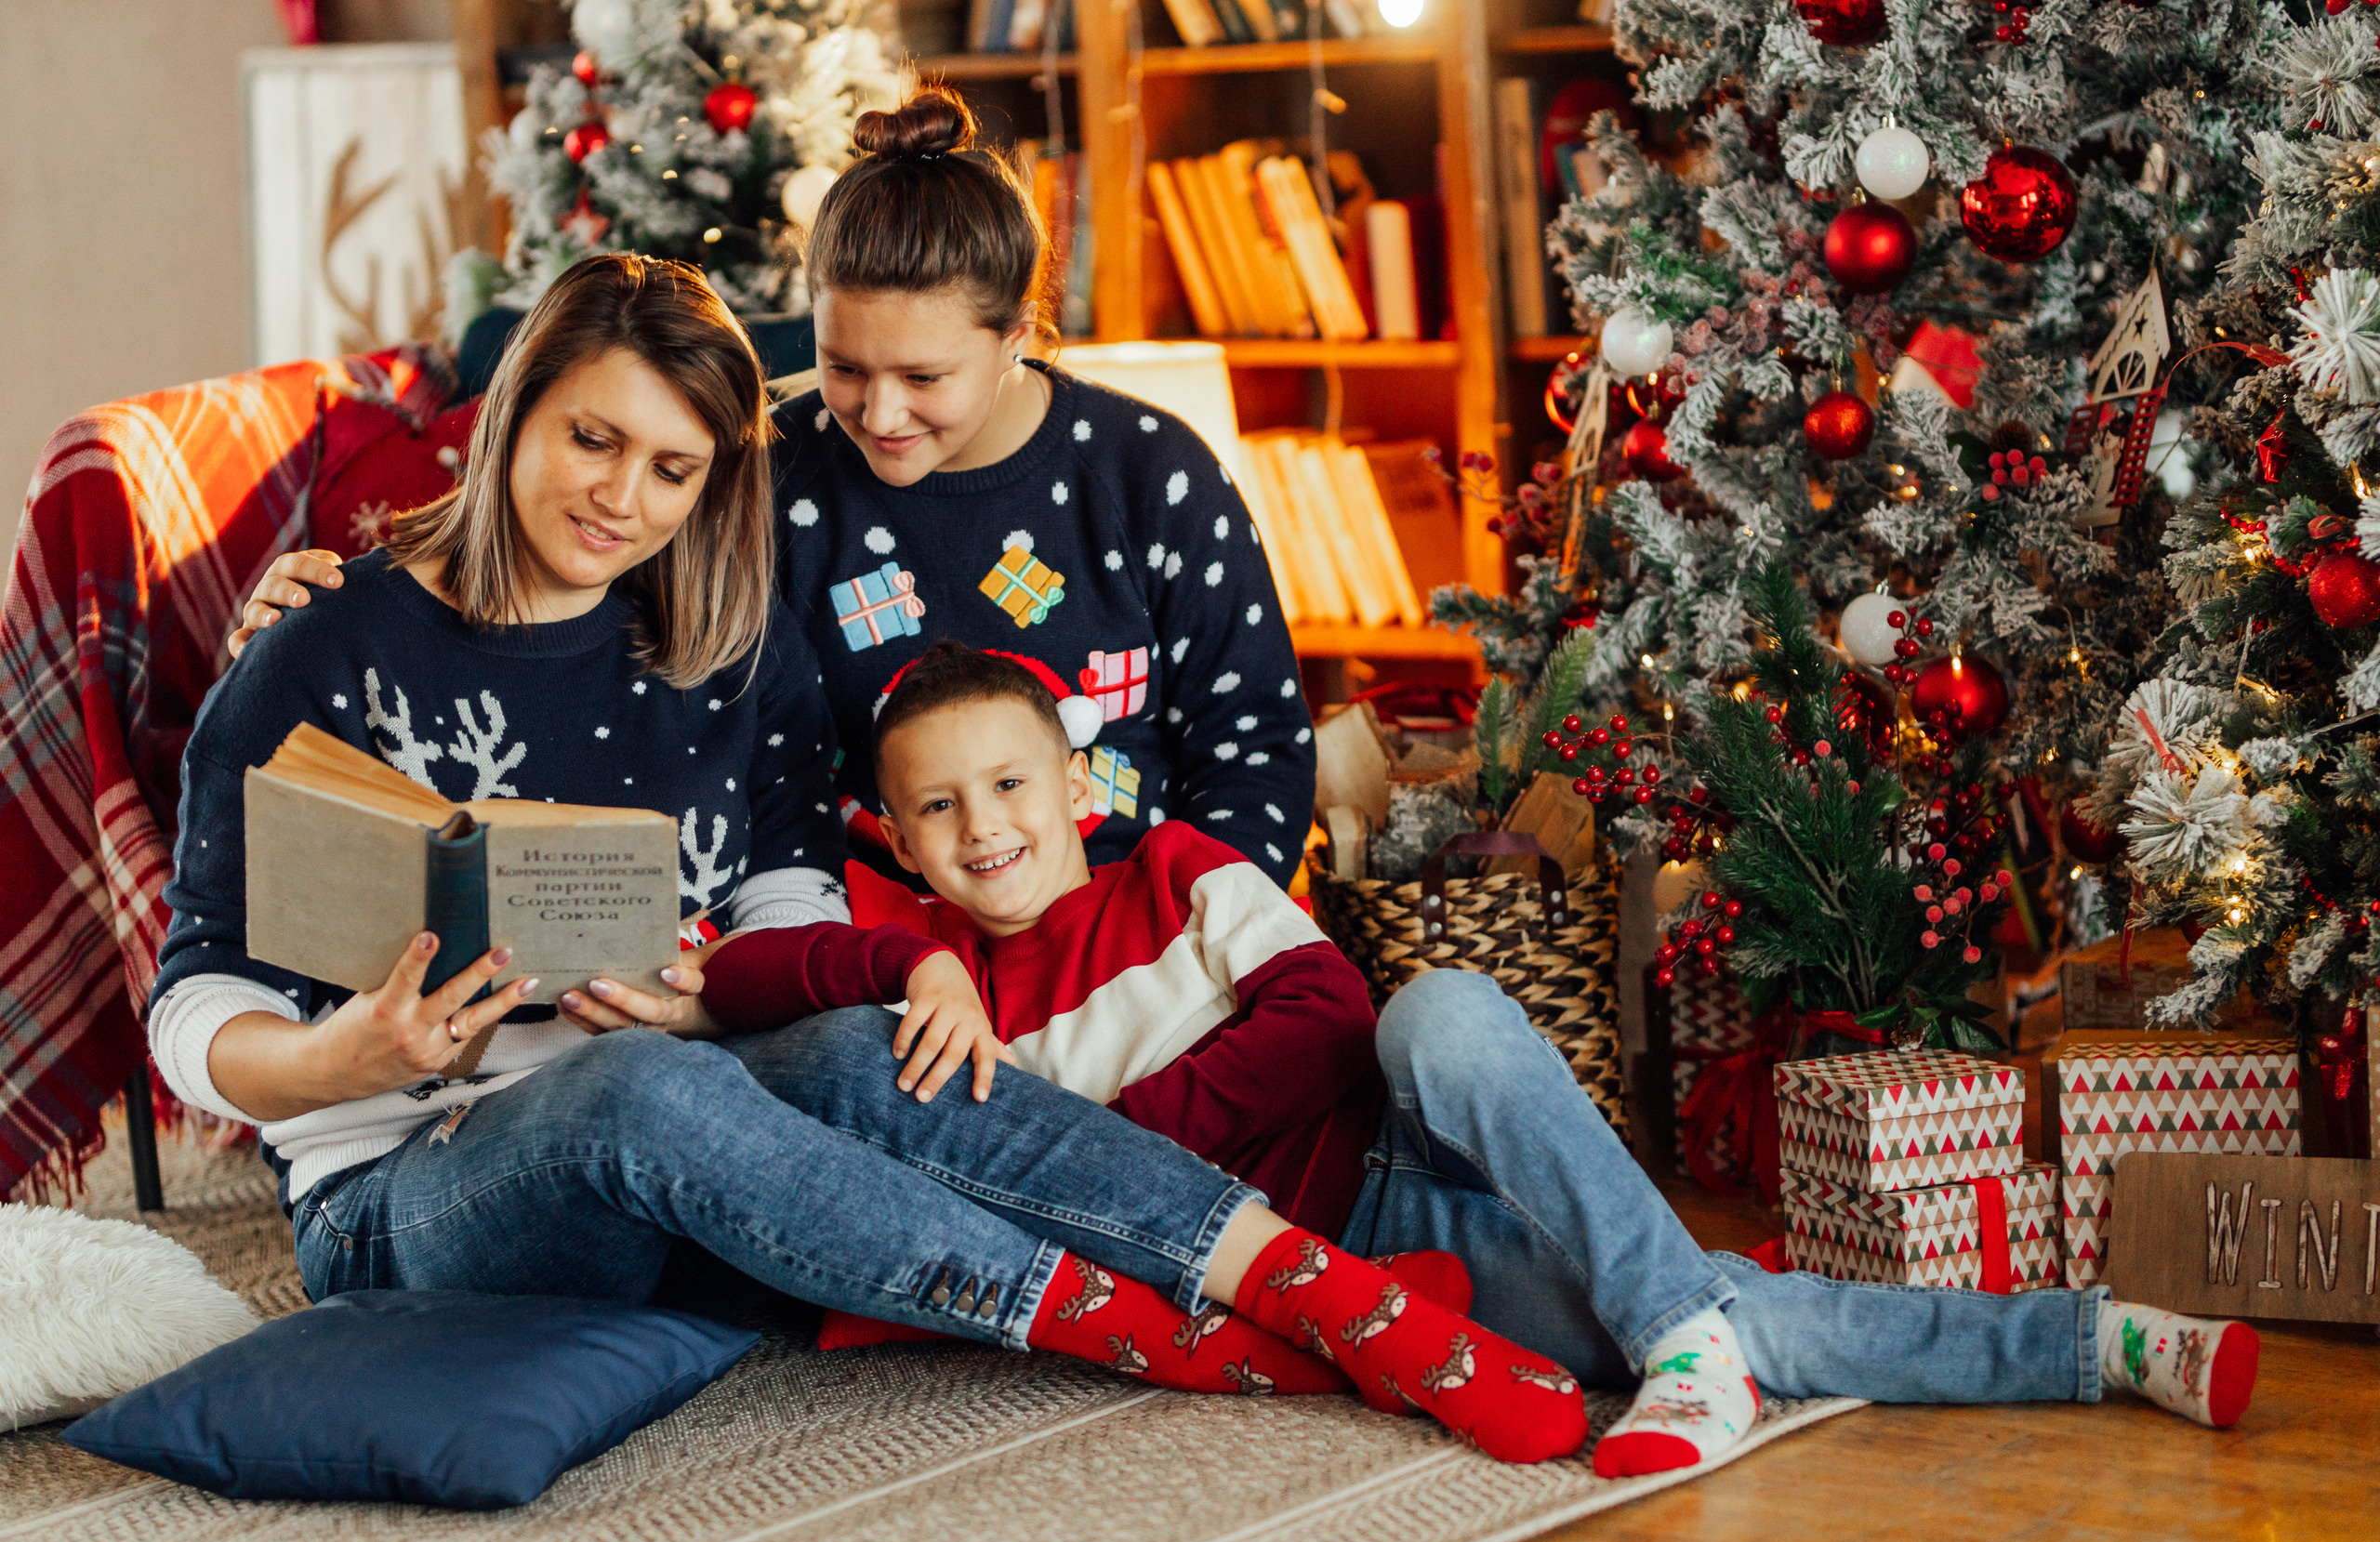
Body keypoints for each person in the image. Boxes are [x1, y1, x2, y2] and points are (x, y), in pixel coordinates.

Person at [152, 254, 1589, 1468]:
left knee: (863, 1044)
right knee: (640, 1085)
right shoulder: (325, 647)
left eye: (672, 468)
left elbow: (788, 885)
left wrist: (725, 983)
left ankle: (1324, 1293)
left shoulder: (717, 639)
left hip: (698, 1111)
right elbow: (195, 1003)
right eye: (592, 441)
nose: (623, 503)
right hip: (412, 1181)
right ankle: (1171, 1336)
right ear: (515, 407)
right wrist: (342, 1058)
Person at [701, 642, 2265, 1481]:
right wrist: (900, 951)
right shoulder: (951, 979)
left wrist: (1122, 1137)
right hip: (1367, 1251)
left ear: (1078, 780)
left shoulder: (1174, 867)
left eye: (1007, 784)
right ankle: (2102, 1340)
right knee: (1696, 1322)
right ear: (892, 839)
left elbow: (1317, 1019)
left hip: (1414, 1132)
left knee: (1433, 1008)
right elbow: (747, 975)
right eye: (938, 812)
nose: (985, 832)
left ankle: (1686, 1330)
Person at [228, 85, 1316, 893]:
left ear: (1016, 340)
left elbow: (1257, 750)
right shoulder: (768, 469)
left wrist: (1175, 952)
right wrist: (318, 617)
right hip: (863, 947)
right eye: (845, 368)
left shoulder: (1149, 477)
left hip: (1134, 932)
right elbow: (578, 595)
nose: (880, 416)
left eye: (925, 378)